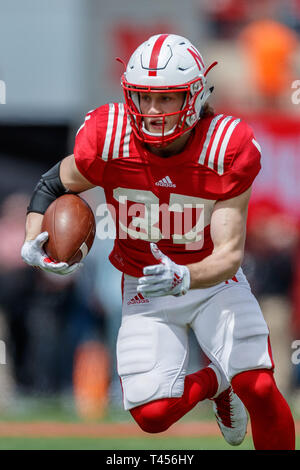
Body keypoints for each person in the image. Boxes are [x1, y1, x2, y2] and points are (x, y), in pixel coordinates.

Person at [21, 34, 295, 450]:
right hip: (144, 284)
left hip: (209, 281)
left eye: (166, 98)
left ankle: (235, 379)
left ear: (196, 94)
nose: (152, 111)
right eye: (144, 97)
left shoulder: (225, 148)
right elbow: (50, 185)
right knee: (152, 417)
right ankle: (217, 383)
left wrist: (185, 275)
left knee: (257, 384)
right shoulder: (109, 138)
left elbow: (229, 255)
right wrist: (32, 240)